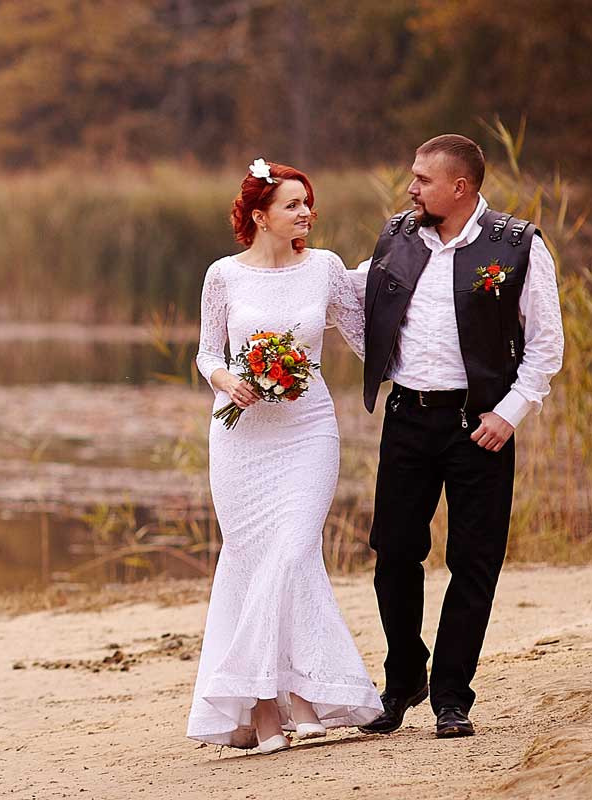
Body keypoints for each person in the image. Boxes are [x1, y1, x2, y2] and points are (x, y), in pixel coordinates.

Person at [349, 134, 564, 739]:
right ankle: (403, 678)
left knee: (474, 561)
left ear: (460, 187)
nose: (411, 187)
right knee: (393, 553)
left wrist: (511, 412)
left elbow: (546, 343)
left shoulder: (517, 246)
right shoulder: (397, 236)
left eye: (421, 178)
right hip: (408, 419)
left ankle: (451, 695)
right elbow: (362, 307)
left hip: (481, 429)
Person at [183, 158, 381, 753]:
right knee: (251, 556)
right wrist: (227, 382)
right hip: (241, 435)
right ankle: (268, 708)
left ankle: (298, 695)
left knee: (293, 550)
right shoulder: (223, 276)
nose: (306, 213)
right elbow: (205, 354)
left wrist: (397, 269)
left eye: (308, 202)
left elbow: (367, 337)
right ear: (260, 216)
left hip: (307, 430)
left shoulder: (324, 268)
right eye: (293, 204)